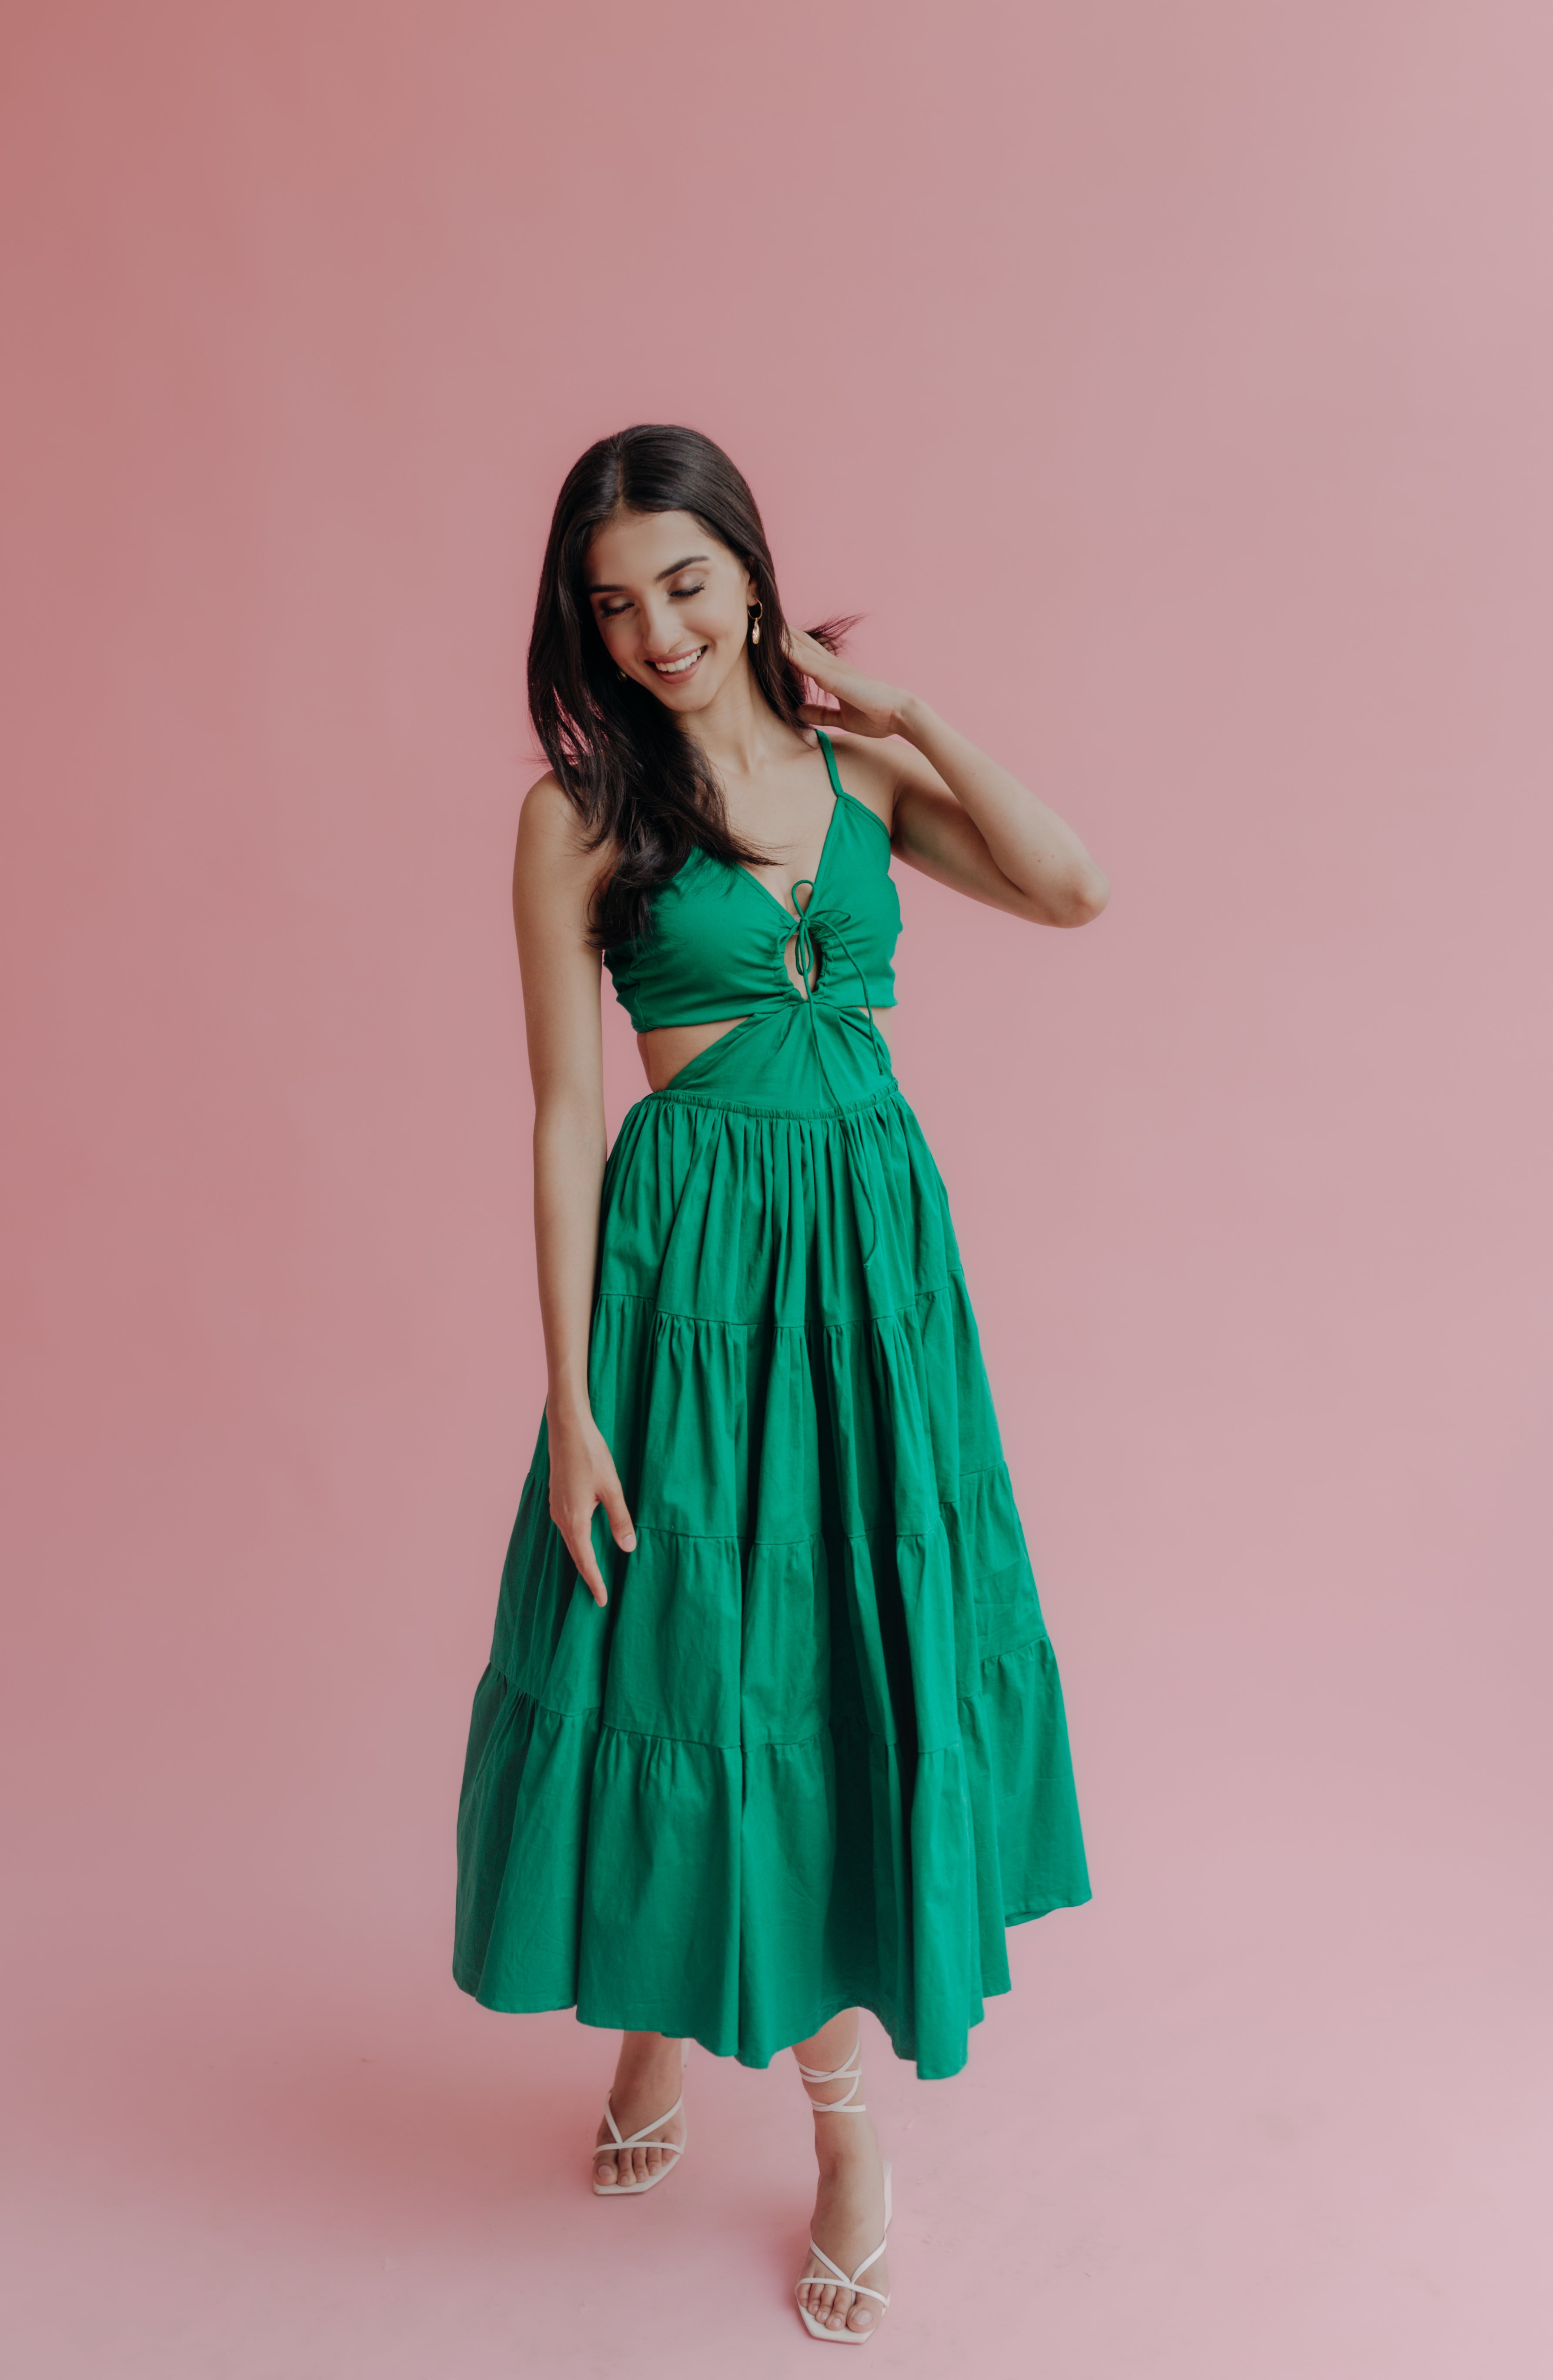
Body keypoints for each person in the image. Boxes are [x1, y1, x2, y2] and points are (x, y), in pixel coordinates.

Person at [454, 423, 1109, 2341]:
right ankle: (693, 2045)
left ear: (748, 567)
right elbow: (565, 1114)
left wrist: (911, 713)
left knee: (837, 1666)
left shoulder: (862, 774)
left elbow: (1071, 889)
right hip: (693, 1282)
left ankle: (837, 2142)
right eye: (612, 606)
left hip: (877, 1271)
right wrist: (571, 1397)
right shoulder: (576, 815)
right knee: (695, 1665)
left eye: (683, 582)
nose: (654, 631)